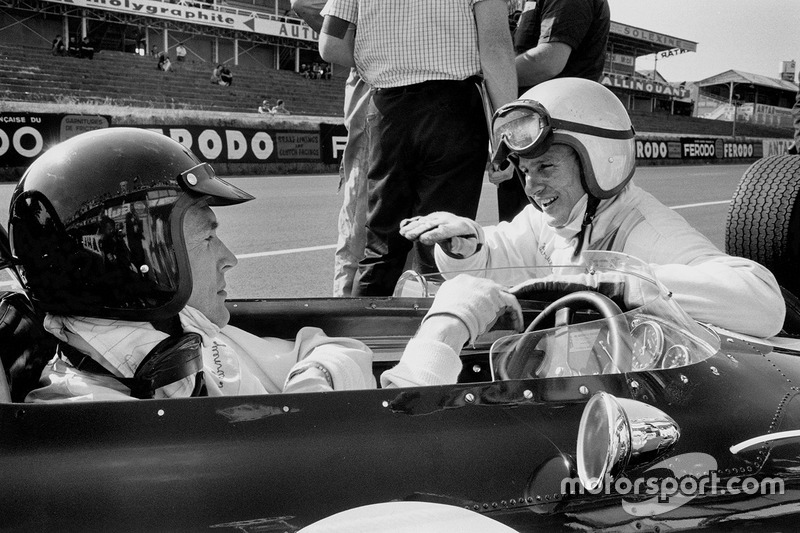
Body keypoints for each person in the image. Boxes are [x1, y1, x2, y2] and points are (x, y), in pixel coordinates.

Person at [7, 128, 520, 402]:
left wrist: (312, 385)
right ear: (138, 256)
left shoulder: (174, 326)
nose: (230, 257)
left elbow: (317, 345)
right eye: (207, 237)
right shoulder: (96, 417)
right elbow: (365, 471)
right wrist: (445, 331)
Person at [400, 78, 786, 338]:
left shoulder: (645, 229)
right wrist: (467, 246)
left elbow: (763, 301)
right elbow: (498, 257)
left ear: (599, 161)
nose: (532, 186)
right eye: (525, 170)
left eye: (547, 166)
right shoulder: (549, 220)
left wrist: (623, 282)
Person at [319, 0, 518, 297]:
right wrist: (507, 135)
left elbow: (330, 44)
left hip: (387, 108)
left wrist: (381, 60)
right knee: (440, 247)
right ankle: (433, 338)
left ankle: (364, 337)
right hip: (452, 108)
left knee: (380, 249)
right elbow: (497, 49)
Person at [496, 0, 611, 222]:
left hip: (556, 130)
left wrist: (489, 72)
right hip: (529, 128)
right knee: (523, 231)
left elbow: (549, 60)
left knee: (559, 231)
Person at [292, 0, 373, 297]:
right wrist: (371, 52)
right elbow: (303, 4)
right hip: (374, 97)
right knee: (359, 216)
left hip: (418, 102)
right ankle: (346, 309)